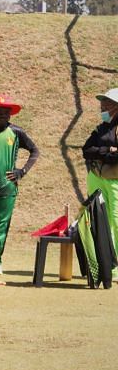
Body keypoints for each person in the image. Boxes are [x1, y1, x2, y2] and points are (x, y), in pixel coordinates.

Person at [0, 95, 40, 275]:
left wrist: (22, 171)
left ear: (10, 115)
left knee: (0, 226)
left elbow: (35, 151)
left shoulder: (17, 132)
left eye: (6, 112)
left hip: (7, 187)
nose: (3, 114)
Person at [82, 87, 118, 277]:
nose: (102, 105)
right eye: (102, 101)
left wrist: (106, 152)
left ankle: (115, 264)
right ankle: (98, 262)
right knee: (94, 217)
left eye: (108, 102)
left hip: (115, 181)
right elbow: (86, 150)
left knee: (115, 221)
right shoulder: (101, 128)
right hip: (96, 176)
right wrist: (107, 151)